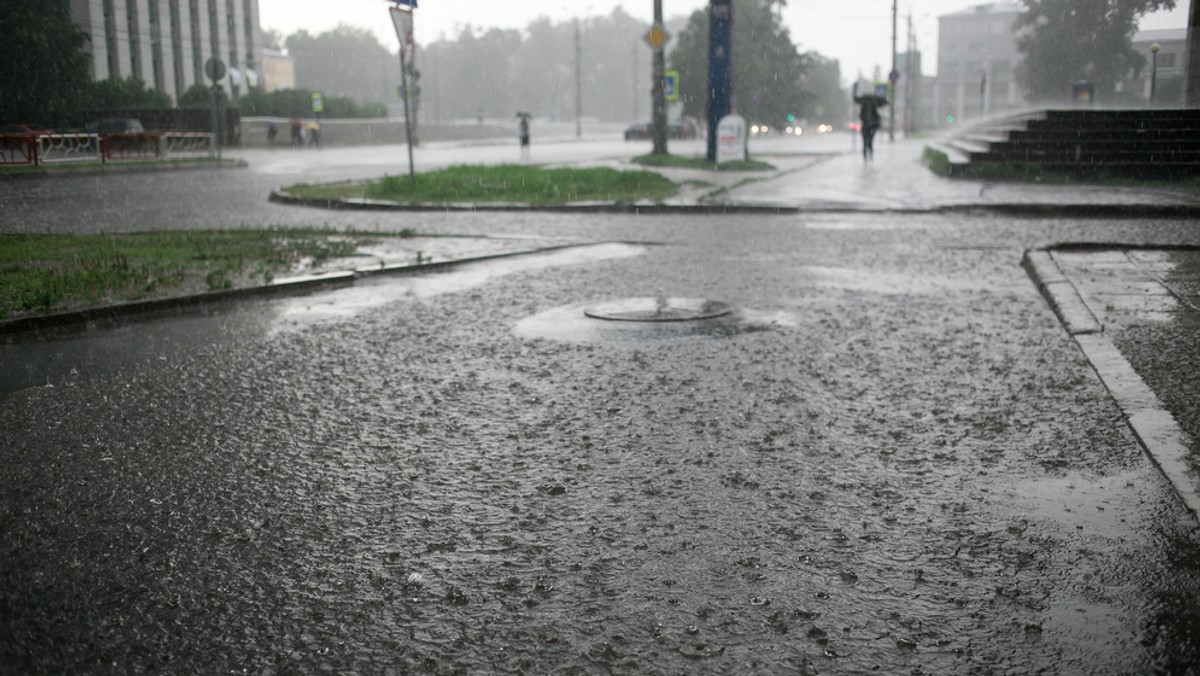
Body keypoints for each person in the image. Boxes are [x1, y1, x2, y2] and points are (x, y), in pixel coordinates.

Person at [855, 94, 885, 161]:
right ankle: (866, 158)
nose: (868, 103)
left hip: (872, 127)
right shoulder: (864, 108)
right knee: (865, 143)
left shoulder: (873, 108)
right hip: (865, 127)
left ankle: (870, 157)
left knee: (870, 143)